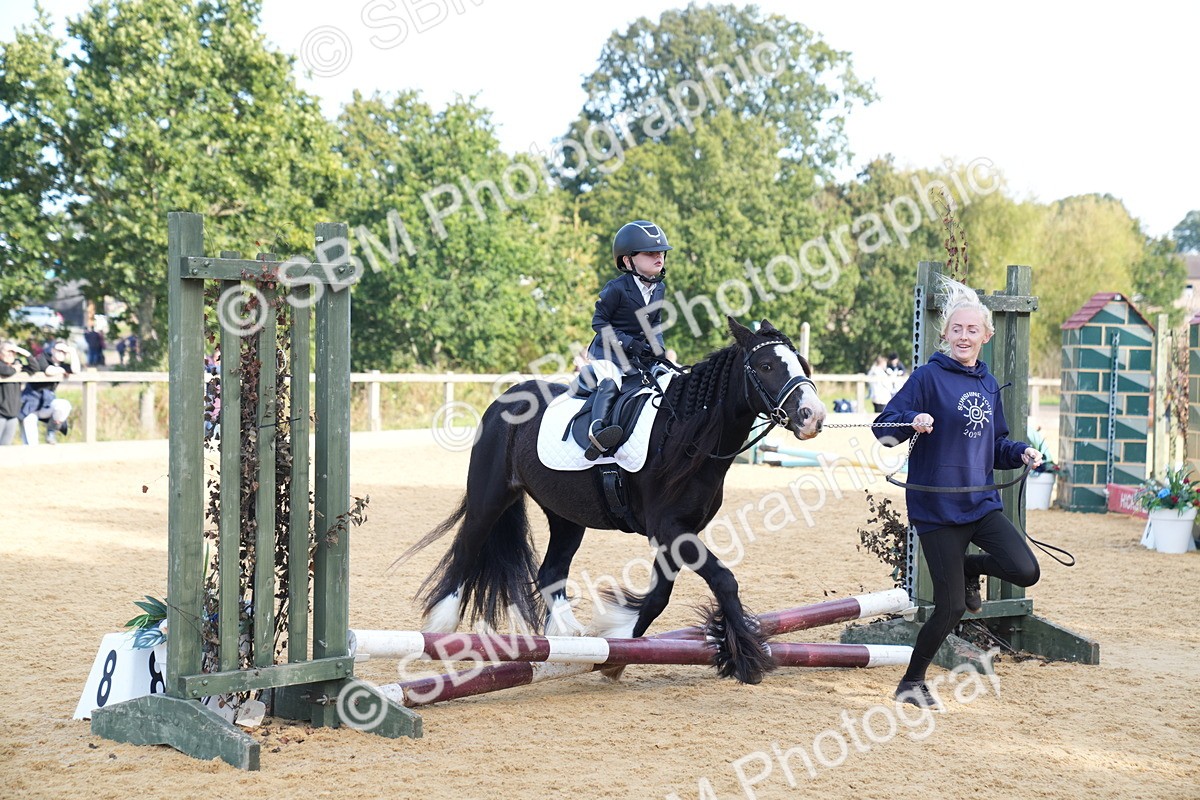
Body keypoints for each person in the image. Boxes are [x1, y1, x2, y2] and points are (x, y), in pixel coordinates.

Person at [874, 276, 1042, 710]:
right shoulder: (928, 376)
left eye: (973, 330)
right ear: (945, 334)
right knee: (948, 608)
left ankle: (969, 567)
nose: (964, 336)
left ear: (986, 335)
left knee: (1025, 570)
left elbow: (996, 445)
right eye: (957, 329)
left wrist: (1021, 451)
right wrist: (911, 421)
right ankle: (912, 682)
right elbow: (883, 427)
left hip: (980, 502)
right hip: (937, 507)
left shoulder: (989, 384)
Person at [578, 220, 672, 460]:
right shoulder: (617, 289)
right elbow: (599, 323)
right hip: (606, 352)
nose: (658, 258)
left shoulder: (658, 288)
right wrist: (628, 343)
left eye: (661, 253)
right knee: (610, 382)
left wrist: (658, 349)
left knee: (669, 378)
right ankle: (596, 431)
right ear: (628, 260)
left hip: (636, 356)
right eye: (650, 253)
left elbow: (654, 325)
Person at [20, 341, 78, 445]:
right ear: (52, 350)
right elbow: (48, 370)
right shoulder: (43, 357)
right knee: (30, 438)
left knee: (64, 406)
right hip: (30, 403)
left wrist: (72, 352)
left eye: (64, 352)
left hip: (46, 404)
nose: (61, 353)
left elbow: (76, 370)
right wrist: (61, 370)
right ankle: (31, 456)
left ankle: (51, 432)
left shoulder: (64, 364)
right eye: (59, 350)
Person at [0, 340, 31, 445]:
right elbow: (5, 370)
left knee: (5, 446)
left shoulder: (18, 364)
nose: (10, 354)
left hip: (13, 413)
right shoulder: (6, 366)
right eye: (7, 351)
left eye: (12, 351)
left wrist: (21, 351)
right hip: (0, 414)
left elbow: (34, 367)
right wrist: (15, 369)